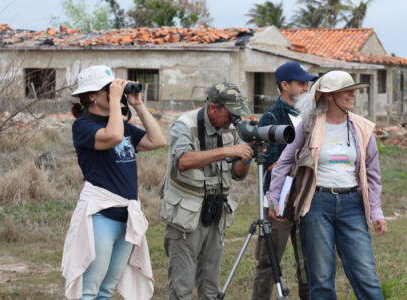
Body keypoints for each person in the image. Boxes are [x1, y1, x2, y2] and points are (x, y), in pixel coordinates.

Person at [269, 70, 387, 299]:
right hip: (317, 204)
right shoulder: (309, 125)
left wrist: (376, 211)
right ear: (329, 96)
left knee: (365, 274)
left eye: (353, 90)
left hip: (352, 204)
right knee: (321, 278)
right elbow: (284, 163)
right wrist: (274, 198)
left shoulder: (363, 128)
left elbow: (372, 174)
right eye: (346, 91)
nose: (352, 95)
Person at [61, 65, 167, 300]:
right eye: (107, 89)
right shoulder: (83, 126)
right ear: (92, 96)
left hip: (126, 217)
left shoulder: (121, 125)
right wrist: (118, 101)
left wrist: (137, 104)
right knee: (89, 290)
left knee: (107, 290)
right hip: (101, 216)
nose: (113, 93)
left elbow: (158, 140)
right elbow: (114, 137)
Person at [161, 82, 254, 300]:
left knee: (210, 287)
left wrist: (248, 153)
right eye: (231, 114)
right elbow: (183, 161)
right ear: (213, 107)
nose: (234, 119)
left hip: (216, 211)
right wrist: (228, 150)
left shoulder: (232, 128)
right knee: (181, 287)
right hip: (186, 213)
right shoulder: (185, 124)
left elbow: (238, 174)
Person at [252, 62, 317, 300]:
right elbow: (269, 163)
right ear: (284, 85)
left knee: (308, 262)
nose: (305, 88)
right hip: (280, 198)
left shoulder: (312, 115)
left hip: (307, 198)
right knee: (269, 262)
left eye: (307, 83)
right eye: (300, 83)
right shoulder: (271, 117)